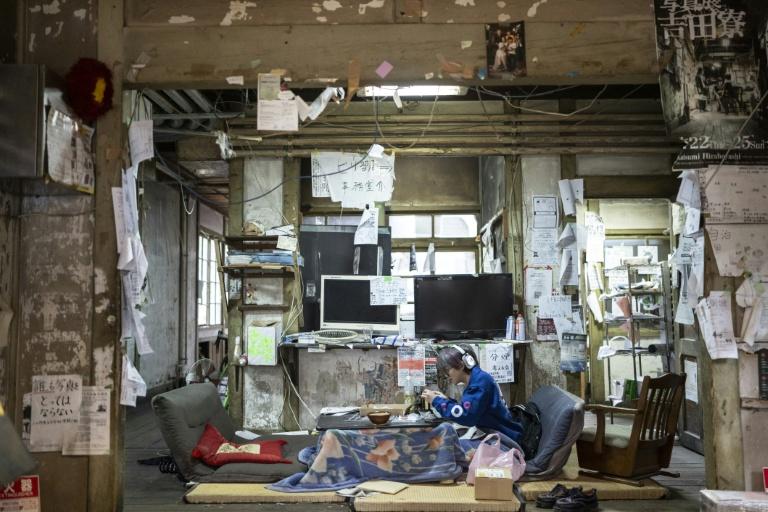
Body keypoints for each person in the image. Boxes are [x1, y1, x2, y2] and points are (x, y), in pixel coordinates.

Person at [421, 344, 523, 443]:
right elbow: (468, 409)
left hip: (504, 439)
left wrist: (437, 401)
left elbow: (467, 416)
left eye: (448, 370)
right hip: (496, 434)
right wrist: (446, 400)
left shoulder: (479, 383)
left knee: (447, 445)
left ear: (461, 364)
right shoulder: (479, 378)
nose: (446, 375)